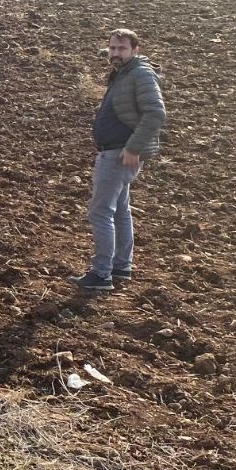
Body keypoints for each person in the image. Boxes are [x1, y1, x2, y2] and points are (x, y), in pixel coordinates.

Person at [70, 27, 166, 292]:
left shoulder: (141, 75)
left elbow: (156, 114)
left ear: (135, 50)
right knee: (120, 210)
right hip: (116, 151)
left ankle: (101, 274)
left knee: (100, 211)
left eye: (121, 49)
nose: (115, 53)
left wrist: (133, 148)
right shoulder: (125, 73)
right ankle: (121, 266)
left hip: (118, 152)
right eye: (112, 48)